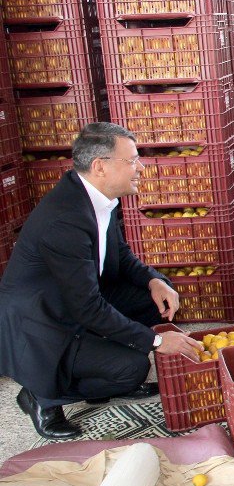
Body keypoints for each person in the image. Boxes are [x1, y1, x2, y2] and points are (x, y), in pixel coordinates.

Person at [0, 123, 203, 440]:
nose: (141, 167)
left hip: (77, 298)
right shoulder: (65, 220)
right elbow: (88, 308)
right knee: (132, 368)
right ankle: (41, 396)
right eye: (132, 160)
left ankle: (94, 367)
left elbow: (120, 255)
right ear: (100, 167)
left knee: (154, 302)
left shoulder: (98, 196)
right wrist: (159, 342)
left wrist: (154, 280)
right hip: (44, 323)